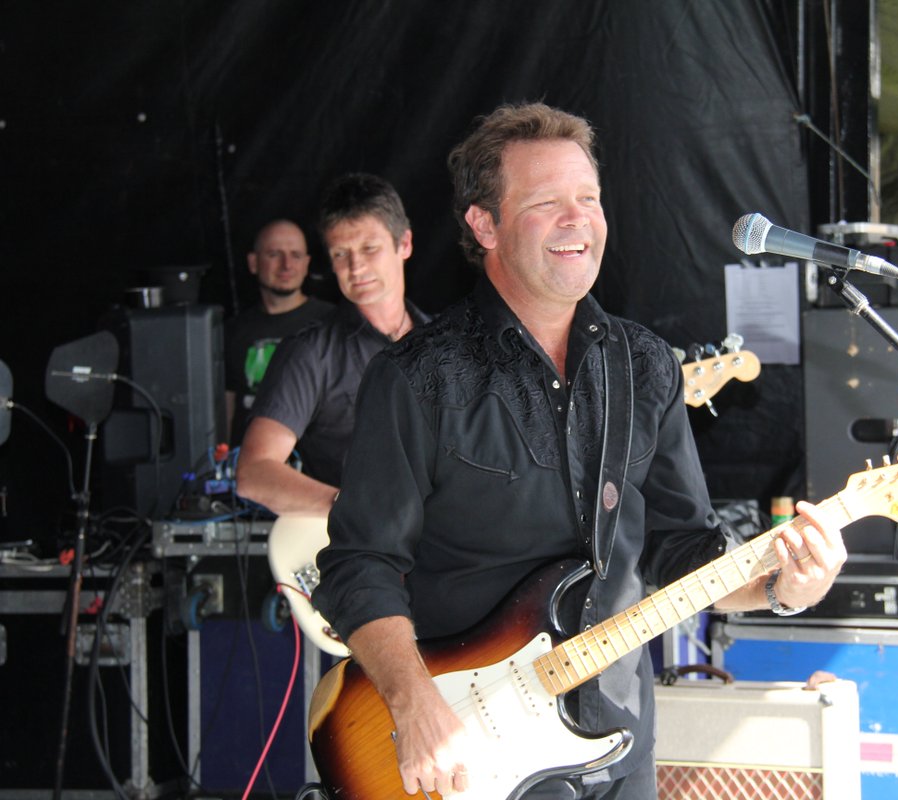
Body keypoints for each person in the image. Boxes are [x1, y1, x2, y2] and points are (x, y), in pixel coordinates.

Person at [312, 104, 847, 798]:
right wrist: (414, 704)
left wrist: (783, 586)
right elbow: (361, 566)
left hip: (618, 739)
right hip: (468, 749)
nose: (578, 220)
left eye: (588, 200)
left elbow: (680, 551)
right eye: (546, 203)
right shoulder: (418, 377)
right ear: (484, 224)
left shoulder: (645, 365)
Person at [235, 174, 429, 515]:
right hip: (363, 555)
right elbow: (254, 472)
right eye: (341, 254)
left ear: (405, 244)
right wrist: (356, 510)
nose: (356, 267)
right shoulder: (310, 352)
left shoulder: (446, 340)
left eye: (369, 248)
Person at [224, 219, 335, 445]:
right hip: (248, 467)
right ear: (253, 263)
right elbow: (226, 407)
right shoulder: (232, 331)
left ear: (306, 264)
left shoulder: (333, 323)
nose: (286, 265)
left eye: (295, 255)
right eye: (274, 254)